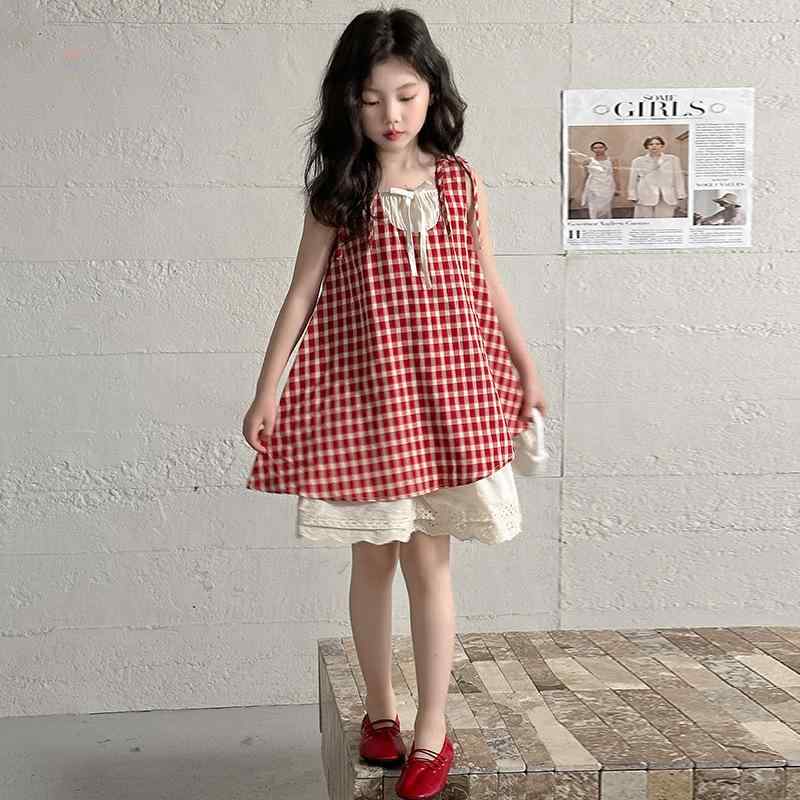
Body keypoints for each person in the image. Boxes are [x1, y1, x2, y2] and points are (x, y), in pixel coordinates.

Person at [241, 8, 546, 799]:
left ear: (431, 92)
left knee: (430, 560)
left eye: (406, 96)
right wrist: (266, 390)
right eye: (371, 99)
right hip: (367, 405)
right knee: (372, 556)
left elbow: (487, 281)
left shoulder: (460, 182)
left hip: (448, 400)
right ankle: (380, 712)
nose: (391, 115)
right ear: (348, 102)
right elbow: (301, 293)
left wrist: (526, 367)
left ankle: (431, 729)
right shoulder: (339, 191)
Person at [628, 135, 687, 218]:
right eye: (651, 144)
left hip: (667, 195)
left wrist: (680, 193)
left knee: (664, 219)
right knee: (646, 219)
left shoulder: (673, 159)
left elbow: (678, 177)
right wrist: (632, 195)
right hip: (645, 193)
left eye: (657, 144)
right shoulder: (638, 161)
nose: (654, 146)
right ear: (646, 147)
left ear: (662, 146)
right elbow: (633, 179)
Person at [579, 141, 620, 218]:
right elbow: (586, 175)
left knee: (606, 208)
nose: (598, 149)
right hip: (593, 186)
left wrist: (618, 188)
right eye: (595, 148)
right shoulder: (588, 161)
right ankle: (594, 221)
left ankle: (605, 222)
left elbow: (616, 174)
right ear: (592, 149)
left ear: (605, 148)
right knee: (593, 207)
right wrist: (583, 189)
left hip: (607, 186)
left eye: (601, 147)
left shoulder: (612, 160)